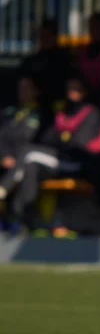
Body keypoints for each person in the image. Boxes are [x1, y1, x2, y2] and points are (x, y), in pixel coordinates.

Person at [9, 76, 100, 237]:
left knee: (29, 152)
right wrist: (63, 137)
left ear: (84, 91)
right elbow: (48, 138)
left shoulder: (91, 112)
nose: (72, 93)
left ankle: (4, 188)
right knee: (30, 166)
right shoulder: (63, 113)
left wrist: (62, 137)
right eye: (69, 89)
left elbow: (78, 143)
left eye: (76, 89)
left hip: (80, 163)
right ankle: (24, 219)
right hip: (60, 160)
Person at [0, 76, 44, 231]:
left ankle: (21, 220)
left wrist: (15, 158)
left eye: (27, 88)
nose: (22, 92)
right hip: (6, 159)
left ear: (36, 91)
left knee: (27, 169)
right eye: (20, 88)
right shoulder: (9, 112)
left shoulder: (42, 113)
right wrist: (4, 156)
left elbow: (36, 141)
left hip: (28, 160)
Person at [17, 19, 71, 111]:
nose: (43, 39)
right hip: (33, 106)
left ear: (55, 37)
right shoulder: (31, 60)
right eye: (40, 36)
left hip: (57, 104)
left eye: (46, 36)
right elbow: (22, 78)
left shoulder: (65, 59)